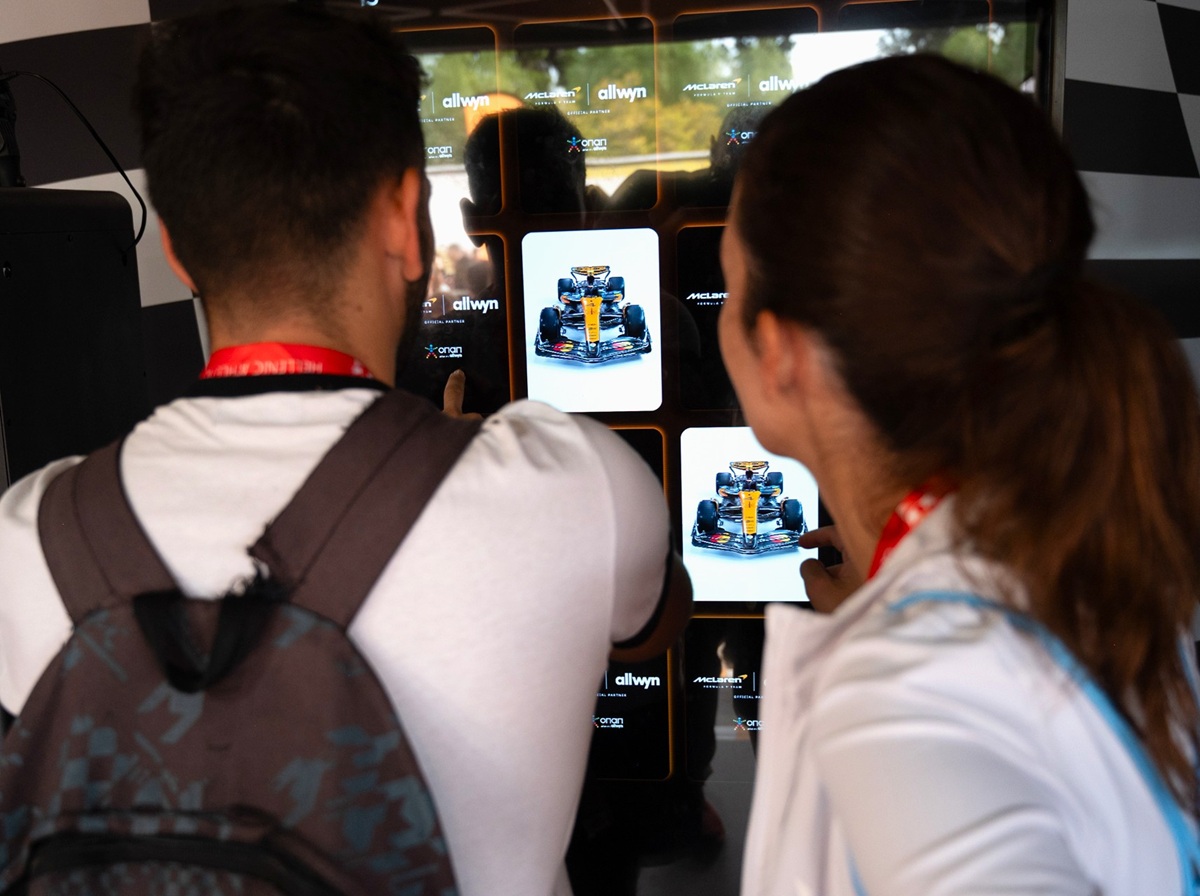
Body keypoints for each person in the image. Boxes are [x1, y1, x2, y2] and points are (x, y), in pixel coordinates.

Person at [0, 6, 689, 896]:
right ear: (406, 216)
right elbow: (655, 618)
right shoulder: (571, 483)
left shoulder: (29, 534)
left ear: (175, 249)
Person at [721, 54, 1200, 896]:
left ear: (781, 351)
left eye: (728, 287)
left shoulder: (904, 695)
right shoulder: (1091, 562)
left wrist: (896, 649)